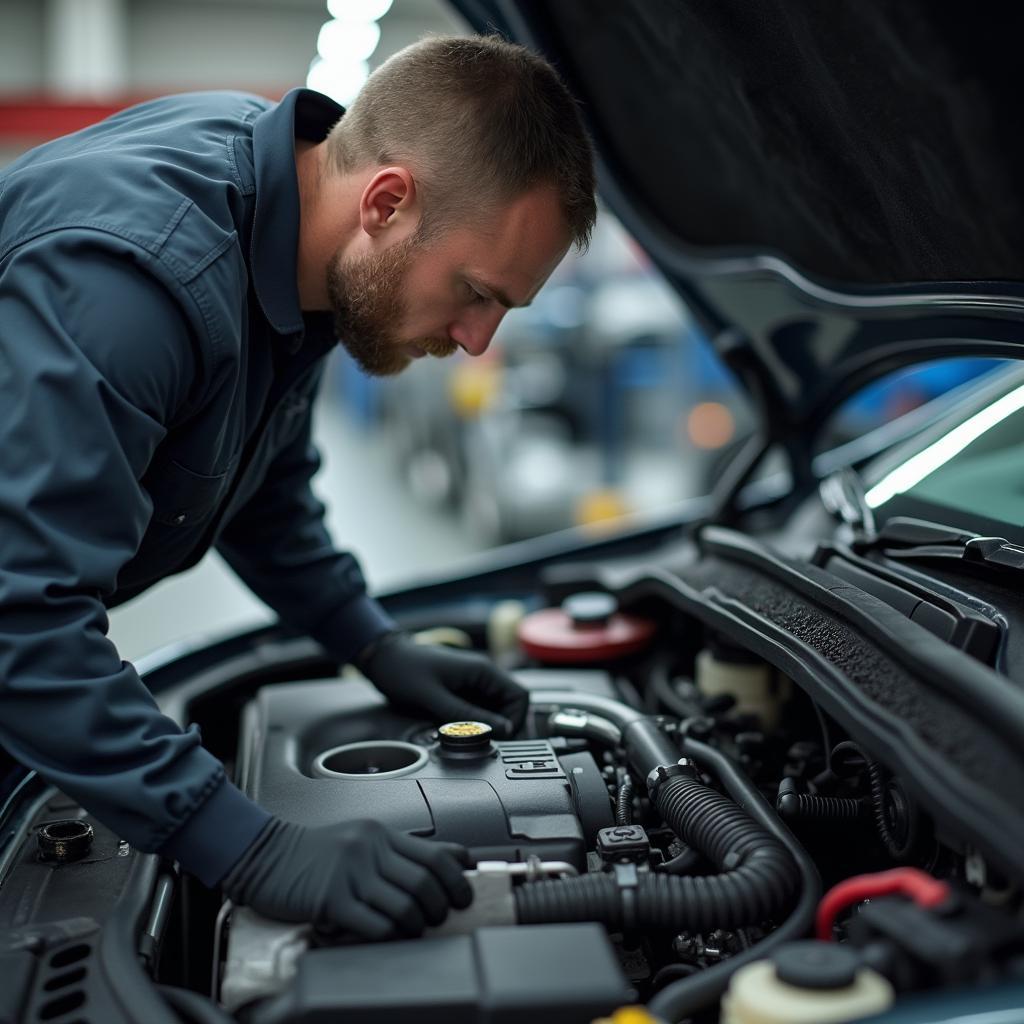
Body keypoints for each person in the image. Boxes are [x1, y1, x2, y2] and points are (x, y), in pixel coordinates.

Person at [0, 34, 596, 939]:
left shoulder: (305, 236)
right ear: (388, 202)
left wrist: (374, 643)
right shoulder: (134, 283)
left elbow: (262, 494)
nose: (478, 341)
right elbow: (19, 615)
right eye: (477, 293)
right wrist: (245, 846)